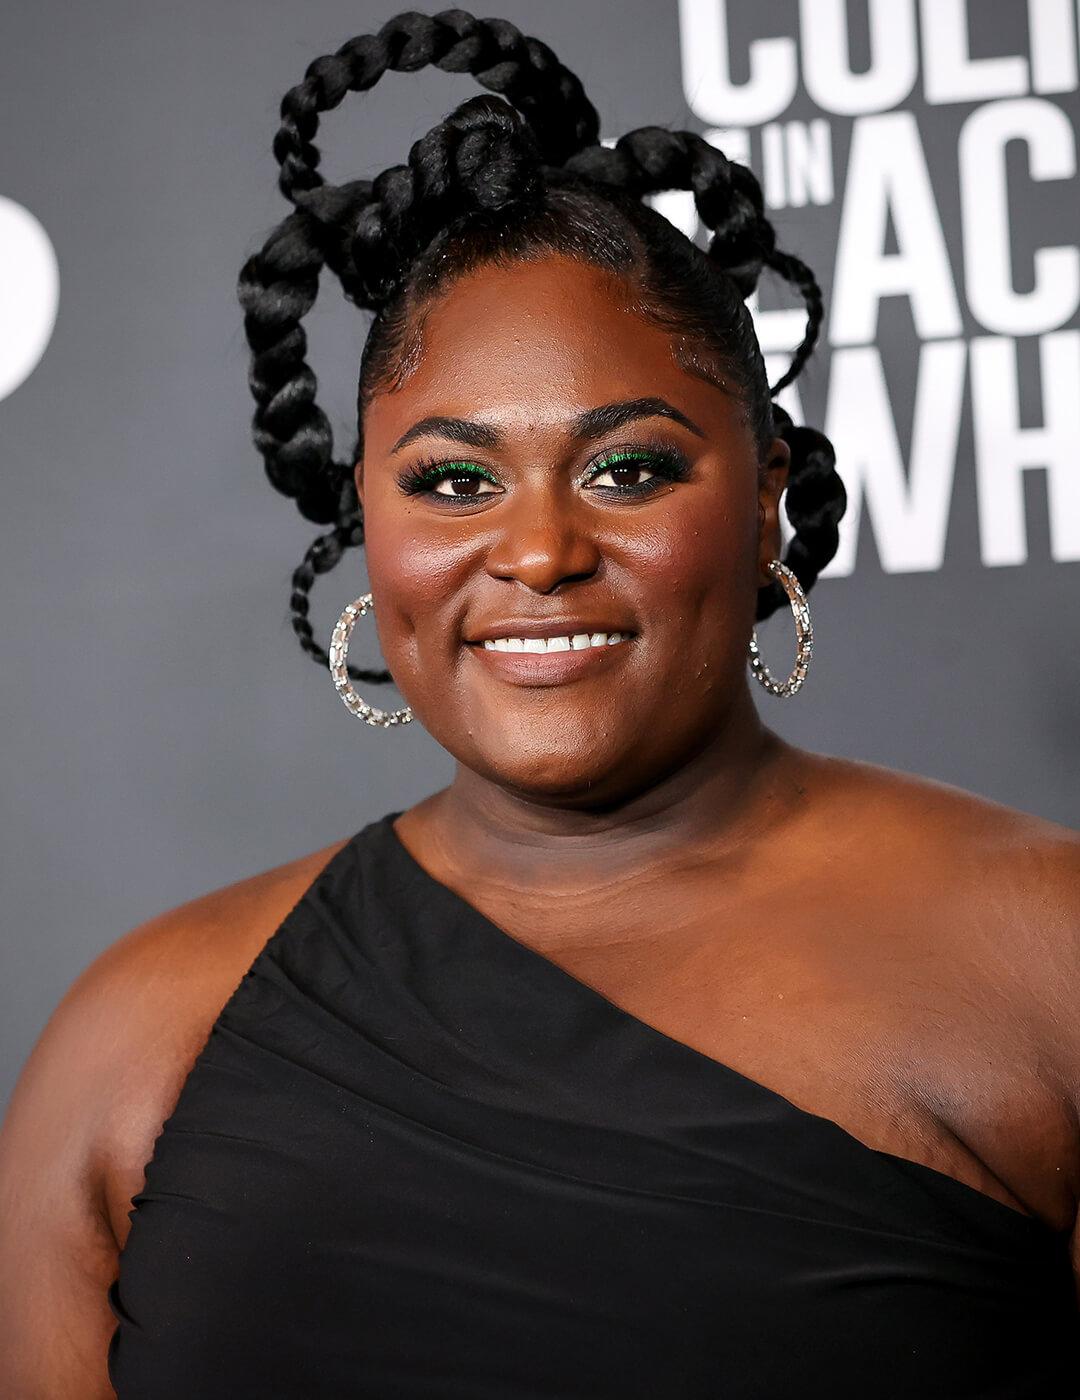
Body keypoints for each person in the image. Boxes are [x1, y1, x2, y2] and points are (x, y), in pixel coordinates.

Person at [1, 9, 1078, 1397]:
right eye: (455, 482)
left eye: (629, 470)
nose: (539, 551)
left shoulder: (1044, 962)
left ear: (766, 500)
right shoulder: (139, 1035)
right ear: (367, 523)